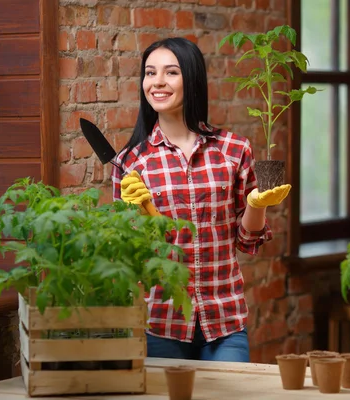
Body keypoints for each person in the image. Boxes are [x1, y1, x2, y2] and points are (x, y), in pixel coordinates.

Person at [111, 37, 291, 362]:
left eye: (171, 73)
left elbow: (248, 242)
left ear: (192, 79)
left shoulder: (234, 150)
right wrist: (136, 213)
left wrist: (256, 205)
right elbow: (131, 258)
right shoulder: (130, 163)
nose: (158, 82)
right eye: (150, 73)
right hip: (162, 321)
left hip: (224, 320)